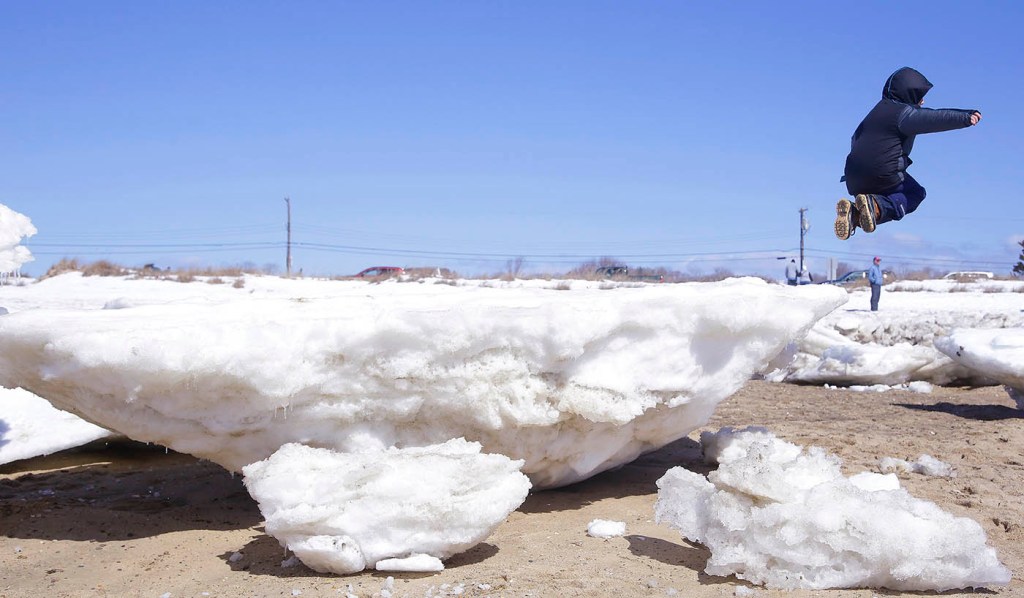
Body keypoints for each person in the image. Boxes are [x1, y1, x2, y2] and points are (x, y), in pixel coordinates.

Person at [834, 67, 982, 240]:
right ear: (910, 95)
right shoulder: (903, 113)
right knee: (915, 193)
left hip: (854, 179)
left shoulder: (871, 116)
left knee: (884, 196)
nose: (923, 102)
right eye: (920, 97)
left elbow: (855, 141)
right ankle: (875, 206)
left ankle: (855, 213)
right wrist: (965, 117)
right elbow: (933, 119)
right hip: (883, 173)